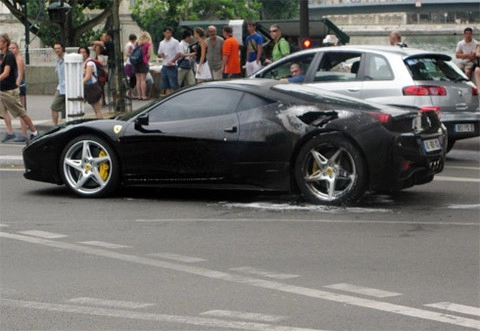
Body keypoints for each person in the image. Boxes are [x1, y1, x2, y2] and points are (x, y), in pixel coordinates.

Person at [0, 33, 38, 141]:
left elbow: (6, 73)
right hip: (1, 90)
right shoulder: (1, 55)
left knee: (21, 112)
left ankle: (34, 132)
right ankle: (10, 132)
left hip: (9, 91)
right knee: (4, 112)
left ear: (4, 43)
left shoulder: (9, 56)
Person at [2, 41, 28, 142]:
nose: (11, 50)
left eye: (14, 48)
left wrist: (16, 87)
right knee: (5, 109)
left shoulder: (19, 59)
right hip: (9, 87)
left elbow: (20, 75)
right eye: (10, 48)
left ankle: (24, 134)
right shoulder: (8, 58)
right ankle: (10, 132)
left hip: (18, 86)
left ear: (17, 49)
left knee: (20, 110)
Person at [78, 46, 103, 119]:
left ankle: (101, 123)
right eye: (80, 52)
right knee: (78, 104)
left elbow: (88, 77)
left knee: (96, 109)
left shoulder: (89, 63)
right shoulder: (82, 63)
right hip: (86, 87)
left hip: (92, 88)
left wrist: (79, 84)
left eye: (84, 52)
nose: (82, 54)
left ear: (87, 53)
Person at [157, 27, 182, 95]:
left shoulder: (175, 42)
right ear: (164, 33)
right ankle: (167, 97)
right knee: (165, 85)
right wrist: (160, 55)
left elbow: (179, 53)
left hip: (172, 66)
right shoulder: (161, 43)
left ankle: (174, 97)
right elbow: (159, 54)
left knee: (173, 84)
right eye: (167, 33)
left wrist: (172, 61)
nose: (168, 34)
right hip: (164, 65)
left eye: (170, 33)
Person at [133, 32, 153, 100]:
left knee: (138, 80)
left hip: (135, 63)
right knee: (143, 80)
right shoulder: (148, 44)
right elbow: (149, 55)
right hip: (143, 62)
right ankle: (144, 96)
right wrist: (147, 59)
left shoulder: (137, 43)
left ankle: (139, 95)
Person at [50, 41, 66, 125]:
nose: (57, 50)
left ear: (62, 48)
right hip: (61, 87)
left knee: (69, 109)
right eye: (55, 49)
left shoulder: (67, 58)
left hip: (68, 87)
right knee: (54, 107)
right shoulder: (57, 59)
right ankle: (55, 126)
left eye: (58, 48)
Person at [124, 33, 137, 99]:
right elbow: (127, 53)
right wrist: (134, 56)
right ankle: (128, 92)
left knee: (132, 79)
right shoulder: (131, 45)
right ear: (134, 39)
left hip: (128, 63)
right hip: (131, 63)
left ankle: (131, 94)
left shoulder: (127, 44)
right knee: (133, 79)